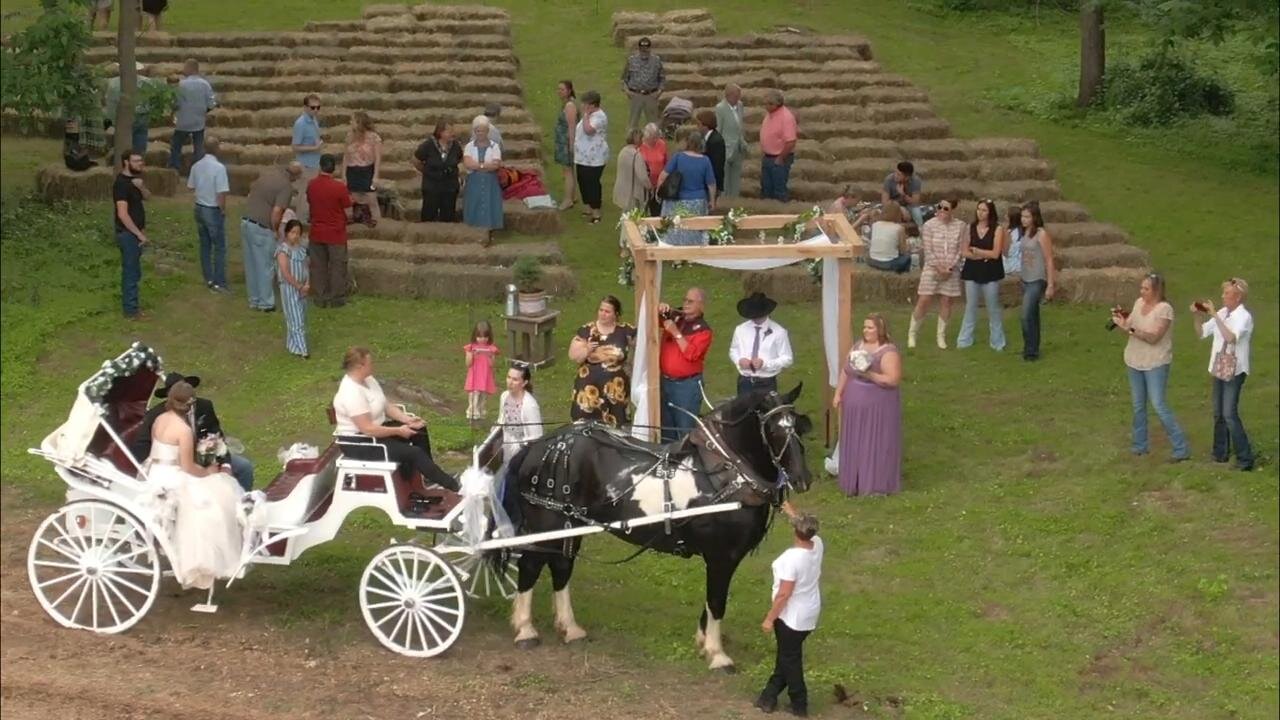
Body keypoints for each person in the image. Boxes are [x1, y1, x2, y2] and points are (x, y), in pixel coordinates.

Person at [139, 380, 244, 590]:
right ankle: (207, 559)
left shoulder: (159, 419)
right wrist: (208, 471)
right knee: (218, 495)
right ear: (190, 403)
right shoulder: (183, 430)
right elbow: (187, 466)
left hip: (156, 473)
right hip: (174, 477)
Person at [333, 346, 458, 491]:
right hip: (360, 443)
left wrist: (407, 420)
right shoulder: (351, 393)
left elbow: (385, 405)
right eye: (370, 363)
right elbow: (367, 429)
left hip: (374, 434)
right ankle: (454, 486)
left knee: (419, 429)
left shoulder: (369, 380)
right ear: (360, 366)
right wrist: (398, 431)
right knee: (414, 453)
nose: (373, 365)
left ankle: (429, 477)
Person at [131, 371, 256, 492]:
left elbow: (216, 435)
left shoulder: (204, 406)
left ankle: (243, 503)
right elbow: (143, 448)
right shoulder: (157, 417)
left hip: (205, 458)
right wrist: (207, 473)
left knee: (244, 467)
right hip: (179, 470)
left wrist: (225, 465)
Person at [1110, 274, 1189, 462]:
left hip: (1155, 362)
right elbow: (1132, 324)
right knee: (1138, 405)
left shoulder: (1164, 310)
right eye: (1141, 288)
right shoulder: (1138, 303)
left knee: (1158, 405)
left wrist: (1128, 329)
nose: (1141, 292)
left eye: (1146, 289)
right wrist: (1123, 318)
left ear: (1156, 291)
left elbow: (1154, 337)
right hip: (1134, 360)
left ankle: (1181, 447)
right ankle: (1140, 445)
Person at [755, 500, 823, 718]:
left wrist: (769, 618)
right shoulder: (817, 544)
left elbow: (784, 593)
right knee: (787, 656)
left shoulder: (791, 560)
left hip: (791, 617)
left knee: (789, 660)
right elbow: (804, 527)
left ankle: (799, 703)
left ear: (796, 532)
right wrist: (791, 512)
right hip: (810, 612)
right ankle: (768, 696)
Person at [834, 314, 903, 496]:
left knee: (874, 441)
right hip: (854, 403)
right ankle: (854, 481)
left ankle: (875, 484)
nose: (866, 331)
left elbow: (892, 379)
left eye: (870, 327)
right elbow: (846, 370)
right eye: (864, 327)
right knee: (855, 439)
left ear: (880, 329)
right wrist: (838, 392)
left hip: (878, 406)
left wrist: (869, 374)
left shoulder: (888, 352)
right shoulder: (857, 346)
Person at [1191, 278, 1255, 471]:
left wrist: (1215, 316)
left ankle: (1245, 459)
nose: (1222, 296)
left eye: (1226, 293)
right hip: (1219, 367)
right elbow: (1202, 333)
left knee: (1229, 414)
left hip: (1235, 370)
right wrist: (1198, 316)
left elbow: (1231, 338)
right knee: (1218, 413)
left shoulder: (1244, 317)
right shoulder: (1222, 312)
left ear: (1238, 297)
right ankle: (1220, 453)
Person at [568, 295, 637, 428]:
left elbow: (644, 343)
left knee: (616, 428)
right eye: (601, 310)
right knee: (586, 427)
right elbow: (574, 356)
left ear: (616, 314)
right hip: (589, 389)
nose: (603, 314)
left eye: (607, 311)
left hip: (615, 389)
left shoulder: (625, 330)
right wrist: (587, 349)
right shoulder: (587, 330)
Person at [242, 162, 301, 312]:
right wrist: (275, 229)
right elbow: (276, 211)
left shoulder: (267, 176)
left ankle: (254, 299)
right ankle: (266, 303)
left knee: (251, 264)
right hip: (262, 226)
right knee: (265, 266)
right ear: (294, 176)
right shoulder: (285, 186)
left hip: (246, 222)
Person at [908, 198, 965, 349]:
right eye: (939, 207)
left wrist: (950, 268)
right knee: (924, 300)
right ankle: (912, 333)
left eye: (945, 208)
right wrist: (939, 267)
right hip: (932, 268)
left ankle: (941, 336)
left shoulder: (960, 226)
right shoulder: (929, 225)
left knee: (946, 301)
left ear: (953, 210)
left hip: (951, 269)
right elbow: (928, 249)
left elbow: (961, 249)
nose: (941, 210)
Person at [658, 288, 713, 442]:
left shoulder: (704, 330)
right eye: (685, 300)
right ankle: (667, 461)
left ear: (701, 305)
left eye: (690, 301)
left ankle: (686, 461)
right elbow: (651, 320)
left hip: (686, 386)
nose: (686, 304)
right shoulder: (676, 317)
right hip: (666, 381)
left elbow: (691, 354)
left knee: (685, 429)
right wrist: (660, 308)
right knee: (665, 428)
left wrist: (676, 333)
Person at [957, 199, 1008, 351]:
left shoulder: (997, 229)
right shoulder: (969, 227)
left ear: (990, 212)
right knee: (970, 306)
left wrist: (978, 252)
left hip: (991, 273)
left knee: (993, 307)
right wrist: (980, 256)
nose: (980, 212)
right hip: (972, 271)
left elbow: (996, 253)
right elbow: (965, 251)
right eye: (979, 209)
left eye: (984, 210)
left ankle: (997, 342)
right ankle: (964, 340)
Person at [307, 154, 355, 308]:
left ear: (320, 166)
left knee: (318, 266)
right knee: (337, 266)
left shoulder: (311, 185)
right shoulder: (339, 187)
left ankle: (320, 297)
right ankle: (336, 298)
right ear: (334, 168)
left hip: (316, 231)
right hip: (335, 233)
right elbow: (348, 212)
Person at [656, 132, 716, 246]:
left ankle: (674, 249)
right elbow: (711, 184)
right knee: (694, 228)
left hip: (678, 200)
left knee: (676, 227)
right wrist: (712, 201)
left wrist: (659, 191)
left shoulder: (678, 157)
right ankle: (693, 249)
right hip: (697, 201)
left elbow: (663, 175)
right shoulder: (705, 161)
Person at [729, 292, 793, 397]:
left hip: (766, 382)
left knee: (766, 412)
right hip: (745, 381)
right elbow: (733, 350)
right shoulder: (740, 329)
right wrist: (739, 360)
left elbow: (787, 358)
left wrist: (765, 364)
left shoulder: (779, 332)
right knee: (744, 412)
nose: (755, 318)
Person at [187, 137, 230, 293]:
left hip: (199, 207)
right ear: (217, 149)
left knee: (205, 245)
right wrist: (223, 209)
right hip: (212, 208)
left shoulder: (196, 166)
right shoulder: (219, 168)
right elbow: (221, 193)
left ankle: (208, 278)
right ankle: (219, 281)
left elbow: (190, 186)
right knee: (219, 246)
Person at [1018, 203, 1057, 361]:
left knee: (1025, 315)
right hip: (1025, 279)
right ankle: (1031, 349)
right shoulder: (1024, 233)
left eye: (1027, 216)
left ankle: (1031, 350)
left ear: (1035, 217)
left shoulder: (1041, 234)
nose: (1024, 219)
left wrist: (1050, 284)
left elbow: (1049, 259)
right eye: (1022, 216)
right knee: (1032, 316)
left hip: (1037, 279)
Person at [113, 152, 149, 320]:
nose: (140, 163)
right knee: (130, 271)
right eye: (136, 161)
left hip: (136, 233)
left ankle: (133, 307)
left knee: (135, 271)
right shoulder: (121, 184)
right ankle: (131, 310)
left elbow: (148, 197)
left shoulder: (135, 182)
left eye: (141, 160)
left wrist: (140, 187)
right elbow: (122, 214)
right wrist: (138, 234)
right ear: (126, 162)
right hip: (128, 234)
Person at [169, 59, 217, 173]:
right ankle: (199, 170)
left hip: (183, 121)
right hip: (198, 121)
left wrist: (174, 112)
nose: (183, 69)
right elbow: (212, 103)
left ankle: (174, 167)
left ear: (191, 69)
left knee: (176, 145)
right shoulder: (205, 84)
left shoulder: (181, 84)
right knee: (199, 147)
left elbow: (175, 102)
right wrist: (204, 111)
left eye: (185, 67)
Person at [412, 120, 463, 222]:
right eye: (450, 131)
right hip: (432, 185)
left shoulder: (456, 146)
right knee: (429, 213)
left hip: (450, 185)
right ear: (441, 132)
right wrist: (427, 171)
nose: (453, 133)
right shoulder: (428, 145)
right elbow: (416, 160)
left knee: (448, 215)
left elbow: (460, 159)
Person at [462, 115, 504, 239]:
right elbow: (468, 163)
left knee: (489, 203)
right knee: (474, 202)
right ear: (475, 132)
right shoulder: (469, 146)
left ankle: (490, 230)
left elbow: (496, 165)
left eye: (483, 130)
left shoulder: (494, 146)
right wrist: (485, 166)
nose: (480, 133)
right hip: (474, 181)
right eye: (478, 131)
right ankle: (473, 231)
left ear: (487, 131)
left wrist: (478, 166)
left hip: (490, 181)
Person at [105, 62, 158, 155]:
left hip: (123, 117)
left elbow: (111, 104)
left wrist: (112, 121)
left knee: (123, 146)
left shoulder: (113, 83)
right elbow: (153, 101)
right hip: (142, 116)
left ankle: (124, 164)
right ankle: (138, 162)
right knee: (140, 144)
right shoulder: (147, 82)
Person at [276, 219, 310, 360]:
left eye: (298, 233)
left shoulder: (301, 250)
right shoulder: (283, 251)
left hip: (302, 287)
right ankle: (303, 350)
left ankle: (293, 345)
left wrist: (307, 283)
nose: (295, 236)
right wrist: (298, 286)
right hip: (289, 288)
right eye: (292, 232)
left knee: (301, 315)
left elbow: (306, 268)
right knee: (295, 318)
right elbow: (285, 271)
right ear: (287, 233)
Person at [497, 363, 544, 464]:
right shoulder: (504, 396)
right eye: (508, 377)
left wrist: (520, 449)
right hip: (506, 446)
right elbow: (501, 420)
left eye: (515, 379)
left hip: (522, 454)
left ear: (524, 383)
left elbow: (536, 437)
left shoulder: (529, 405)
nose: (510, 382)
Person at [574, 91, 609, 225]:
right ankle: (588, 206)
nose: (583, 106)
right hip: (583, 156)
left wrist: (586, 115)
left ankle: (596, 212)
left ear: (593, 105)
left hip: (595, 158)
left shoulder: (599, 117)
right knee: (582, 180)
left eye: (586, 104)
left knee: (592, 183)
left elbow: (589, 130)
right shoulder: (589, 115)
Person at [341, 111, 382, 224]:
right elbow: (345, 157)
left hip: (367, 171)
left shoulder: (374, 138)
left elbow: (378, 158)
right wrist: (343, 175)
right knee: (351, 199)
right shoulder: (349, 137)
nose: (350, 122)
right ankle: (352, 220)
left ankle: (377, 223)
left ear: (359, 122)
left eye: (352, 120)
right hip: (352, 170)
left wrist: (376, 176)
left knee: (372, 199)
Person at [759, 89, 798, 203]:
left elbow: (791, 141)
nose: (766, 107)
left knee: (778, 190)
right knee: (766, 189)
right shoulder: (769, 114)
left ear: (776, 104)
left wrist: (780, 158)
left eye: (768, 104)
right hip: (768, 157)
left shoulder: (786, 117)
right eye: (765, 103)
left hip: (778, 159)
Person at [291, 93, 324, 223]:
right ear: (305, 107)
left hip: (315, 163)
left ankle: (308, 219)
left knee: (312, 195)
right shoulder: (300, 124)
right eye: (312, 107)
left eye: (318, 107)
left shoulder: (314, 120)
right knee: (304, 196)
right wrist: (314, 148)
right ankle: (301, 221)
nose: (315, 110)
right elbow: (295, 147)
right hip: (305, 165)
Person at [620, 37, 665, 131]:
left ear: (650, 48)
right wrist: (627, 91)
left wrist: (659, 91)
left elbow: (662, 78)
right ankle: (631, 142)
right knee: (632, 124)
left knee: (653, 124)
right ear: (639, 49)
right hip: (635, 95)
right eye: (642, 49)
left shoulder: (656, 60)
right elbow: (624, 78)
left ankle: (654, 142)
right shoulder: (631, 60)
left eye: (646, 49)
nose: (644, 52)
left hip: (651, 95)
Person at [715, 83, 748, 198]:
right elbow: (719, 129)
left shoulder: (740, 105)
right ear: (728, 95)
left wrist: (742, 141)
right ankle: (724, 202)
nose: (739, 98)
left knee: (736, 178)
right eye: (736, 96)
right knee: (725, 179)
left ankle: (734, 200)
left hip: (738, 147)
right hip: (726, 148)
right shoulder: (720, 108)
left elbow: (740, 126)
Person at [860, 199, 912, 273]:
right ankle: (902, 274)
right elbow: (903, 250)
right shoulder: (899, 228)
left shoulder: (875, 225)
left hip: (872, 261)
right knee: (907, 258)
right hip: (889, 263)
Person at [464, 320, 500, 422]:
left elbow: (492, 364)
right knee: (474, 396)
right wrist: (472, 355)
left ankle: (481, 412)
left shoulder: (491, 348)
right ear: (475, 336)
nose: (482, 339)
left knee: (483, 397)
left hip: (485, 376)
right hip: (475, 377)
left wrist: (490, 356)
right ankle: (472, 413)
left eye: (485, 337)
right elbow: (468, 364)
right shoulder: (470, 347)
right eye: (479, 337)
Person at [612, 128, 652, 219]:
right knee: (633, 220)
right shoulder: (636, 155)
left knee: (625, 218)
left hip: (622, 190)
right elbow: (643, 177)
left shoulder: (623, 151)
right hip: (633, 193)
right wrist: (650, 187)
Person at [554, 81, 579, 210]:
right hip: (563, 141)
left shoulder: (570, 105)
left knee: (567, 171)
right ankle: (572, 196)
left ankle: (568, 199)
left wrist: (571, 145)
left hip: (566, 142)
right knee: (569, 170)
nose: (560, 91)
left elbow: (571, 127)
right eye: (558, 89)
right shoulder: (566, 104)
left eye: (562, 89)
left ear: (569, 91)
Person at [881, 161, 924, 227]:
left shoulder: (916, 181)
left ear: (907, 177)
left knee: (917, 213)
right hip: (893, 205)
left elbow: (915, 202)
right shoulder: (889, 180)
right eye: (895, 172)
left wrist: (903, 194)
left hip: (909, 206)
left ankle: (920, 230)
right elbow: (885, 202)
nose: (895, 175)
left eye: (899, 174)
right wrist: (900, 208)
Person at [638, 123, 668, 215]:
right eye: (653, 137)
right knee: (641, 211)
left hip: (659, 184)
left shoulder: (661, 144)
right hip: (644, 184)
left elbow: (666, 162)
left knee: (657, 211)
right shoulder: (639, 146)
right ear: (646, 136)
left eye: (656, 137)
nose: (655, 140)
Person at [697, 110, 726, 193]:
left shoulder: (716, 141)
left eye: (698, 124)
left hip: (712, 184)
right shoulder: (706, 139)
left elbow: (717, 166)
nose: (697, 127)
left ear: (705, 126)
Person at [1002, 204, 1023, 276]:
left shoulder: (1009, 233)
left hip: (1012, 263)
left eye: (1006, 215)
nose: (1004, 216)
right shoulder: (1023, 231)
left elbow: (1006, 253)